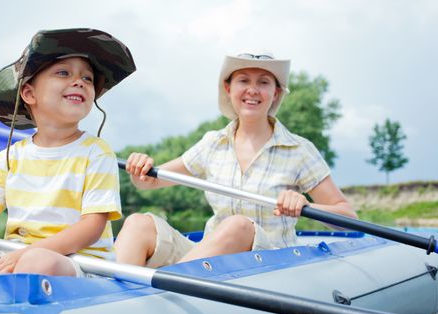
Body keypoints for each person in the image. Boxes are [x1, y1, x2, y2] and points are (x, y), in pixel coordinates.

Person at [0, 28, 136, 279]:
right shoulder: (10, 156)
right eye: (63, 72)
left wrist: (23, 256)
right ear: (29, 93)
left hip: (78, 264)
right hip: (14, 254)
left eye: (88, 78)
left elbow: (91, 227)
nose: (79, 82)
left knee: (36, 262)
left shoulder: (96, 152)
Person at [115, 52, 357, 267]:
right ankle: (121, 298)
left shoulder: (299, 150)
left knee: (239, 225)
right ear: (229, 89)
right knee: (138, 222)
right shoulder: (213, 143)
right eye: (243, 80)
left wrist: (304, 205)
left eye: (263, 82)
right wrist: (140, 168)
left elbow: (347, 218)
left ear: (276, 93)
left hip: (270, 261)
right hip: (211, 258)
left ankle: (162, 290)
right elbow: (150, 182)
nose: (252, 90)